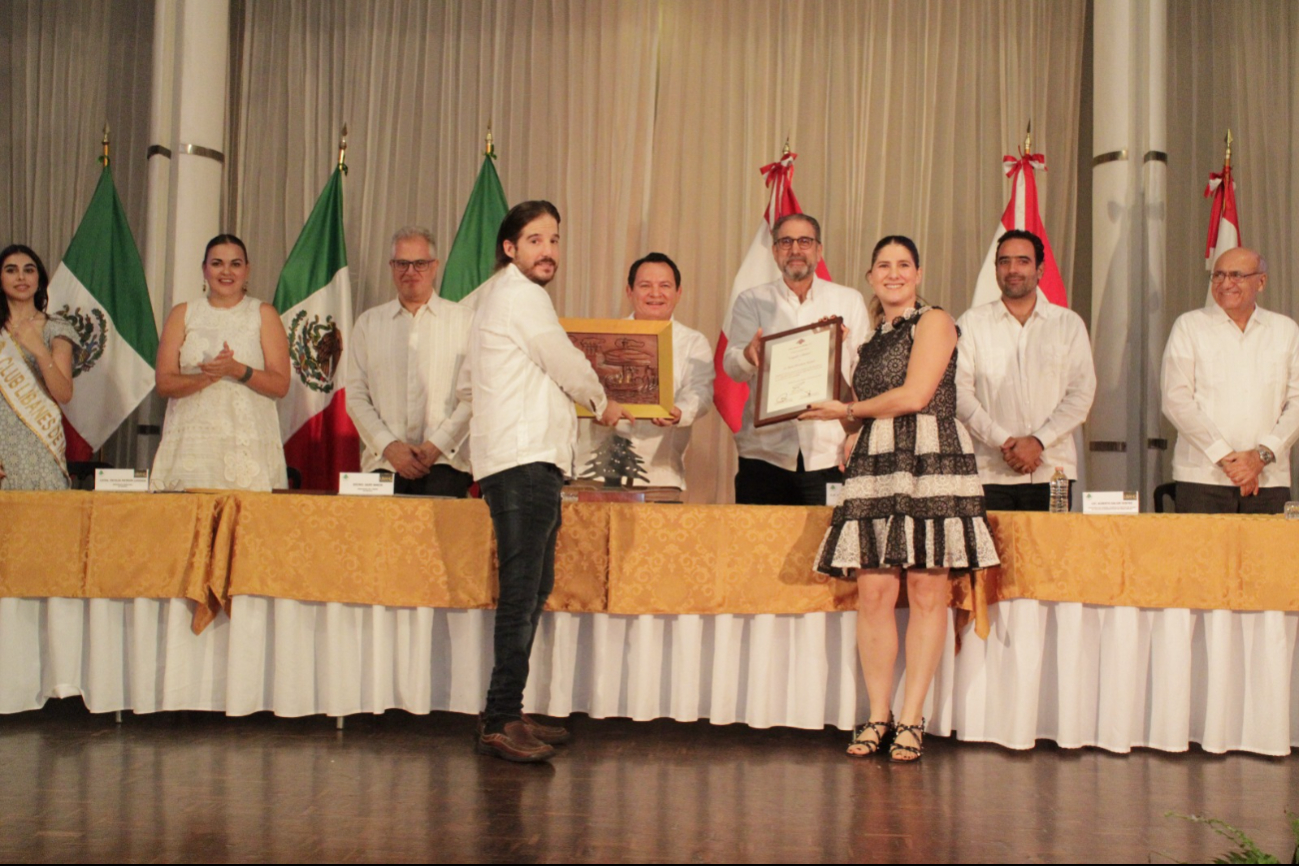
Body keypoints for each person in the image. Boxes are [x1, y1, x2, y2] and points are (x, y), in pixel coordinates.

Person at [801, 235, 999, 762]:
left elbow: (915, 396)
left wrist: (846, 413)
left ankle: (912, 719)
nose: (893, 273)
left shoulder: (935, 320)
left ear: (918, 272)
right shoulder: (870, 339)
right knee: (874, 593)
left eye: (903, 265)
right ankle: (877, 715)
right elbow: (877, 406)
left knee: (928, 591)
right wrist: (852, 433)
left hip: (929, 459)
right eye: (883, 266)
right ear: (870, 277)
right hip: (876, 462)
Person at [458, 201, 632, 762]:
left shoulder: (497, 297)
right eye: (535, 240)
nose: (548, 250)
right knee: (521, 592)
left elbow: (470, 385)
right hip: (522, 460)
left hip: (521, 459)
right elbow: (564, 361)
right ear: (510, 248)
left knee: (530, 588)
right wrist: (605, 402)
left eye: (554, 239)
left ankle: (506, 710)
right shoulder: (520, 296)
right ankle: (502, 717)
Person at [723, 214, 871, 505]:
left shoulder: (848, 300)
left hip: (829, 455)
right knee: (757, 548)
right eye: (786, 242)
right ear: (775, 251)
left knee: (824, 548)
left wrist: (858, 434)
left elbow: (862, 374)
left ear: (819, 250)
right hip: (764, 455)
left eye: (805, 241)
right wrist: (749, 355)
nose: (795, 250)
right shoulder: (751, 301)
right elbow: (731, 367)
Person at [955, 230, 1096, 510]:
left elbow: (1081, 394)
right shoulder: (972, 323)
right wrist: (1005, 442)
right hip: (989, 472)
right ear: (996, 269)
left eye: (1023, 261)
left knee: (1050, 553)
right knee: (994, 554)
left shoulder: (1067, 324)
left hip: (1053, 470)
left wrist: (1038, 442)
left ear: (1040, 269)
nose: (1013, 270)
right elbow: (959, 393)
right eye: (1004, 262)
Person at [1161, 247, 1299, 513]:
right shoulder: (1189, 327)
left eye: (1237, 275)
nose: (1225, 284)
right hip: (1202, 479)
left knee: (1268, 556)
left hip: (1269, 480)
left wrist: (1260, 458)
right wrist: (1228, 460)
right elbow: (1175, 400)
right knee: (1202, 556)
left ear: (1261, 281)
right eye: (1218, 275)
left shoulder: (1285, 331)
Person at [150, 234, 290, 491]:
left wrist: (237, 370)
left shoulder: (264, 314)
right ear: (204, 269)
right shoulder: (183, 313)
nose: (226, 271)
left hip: (248, 449)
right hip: (192, 448)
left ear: (247, 270)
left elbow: (280, 385)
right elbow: (164, 383)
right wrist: (208, 377)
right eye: (217, 263)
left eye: (235, 264)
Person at [347, 226, 474, 496]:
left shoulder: (466, 322)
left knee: (441, 539)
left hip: (446, 462)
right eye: (402, 263)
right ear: (392, 266)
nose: (410, 271)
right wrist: (390, 447)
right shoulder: (369, 324)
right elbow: (356, 397)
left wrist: (434, 447)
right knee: (376, 539)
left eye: (420, 263)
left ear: (435, 266)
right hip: (383, 462)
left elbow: (475, 395)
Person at [575, 252, 714, 490]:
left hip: (660, 474)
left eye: (665, 286)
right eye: (645, 286)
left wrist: (680, 412)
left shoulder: (693, 341)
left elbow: (700, 391)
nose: (655, 293)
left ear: (678, 293)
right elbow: (579, 386)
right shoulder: (605, 338)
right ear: (629, 292)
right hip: (597, 471)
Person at [0, 245, 77, 490]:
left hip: (43, 448)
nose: (21, 277)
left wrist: (39, 349)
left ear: (39, 279)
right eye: (11, 270)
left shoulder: (57, 327)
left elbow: (64, 393)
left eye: (28, 270)